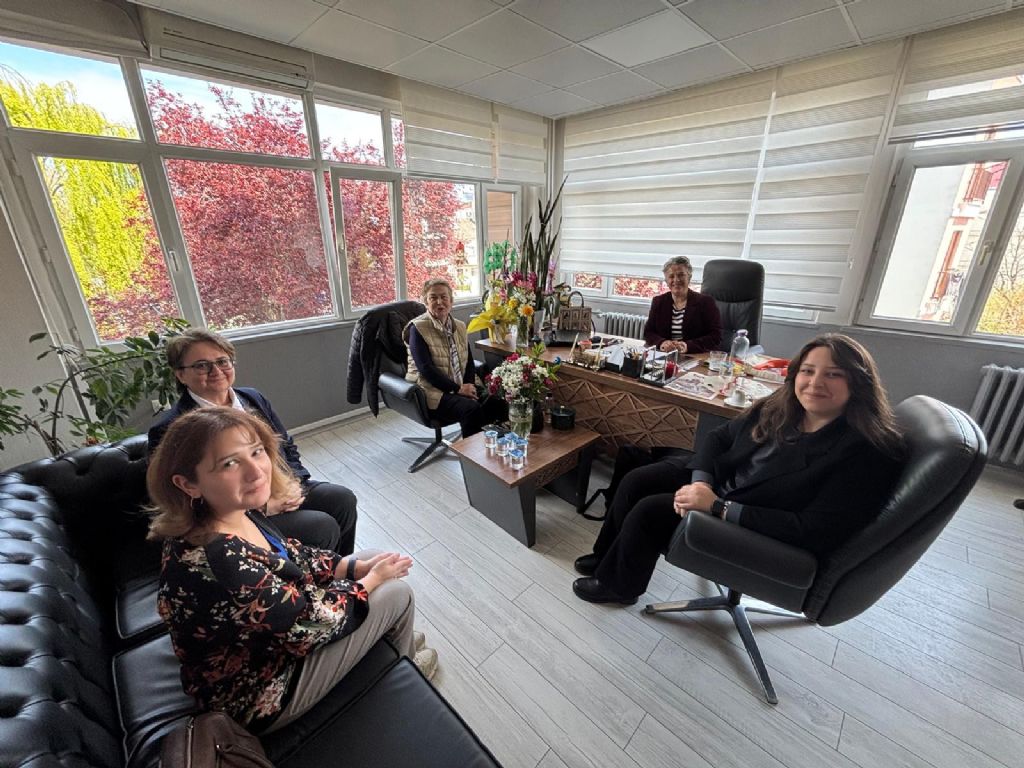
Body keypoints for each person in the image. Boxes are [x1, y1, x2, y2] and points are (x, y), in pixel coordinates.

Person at [147, 407, 436, 732]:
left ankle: (392, 642)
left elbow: (291, 556)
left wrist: (350, 566)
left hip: (274, 644)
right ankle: (403, 667)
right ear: (188, 484)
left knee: (371, 558)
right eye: (229, 463)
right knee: (395, 593)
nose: (256, 471)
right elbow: (311, 624)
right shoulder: (218, 562)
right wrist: (372, 580)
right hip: (256, 692)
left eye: (256, 451)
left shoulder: (230, 511)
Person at [573, 333, 905, 604]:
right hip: (721, 485)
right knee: (637, 479)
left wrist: (719, 507)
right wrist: (702, 483)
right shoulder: (783, 405)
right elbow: (719, 438)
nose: (815, 382)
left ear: (858, 383)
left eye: (833, 374)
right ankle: (605, 558)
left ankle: (619, 586)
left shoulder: (865, 453)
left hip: (755, 518)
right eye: (808, 371)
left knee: (649, 511)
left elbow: (813, 530)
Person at [148, 328, 357, 556]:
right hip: (234, 512)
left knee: (342, 499)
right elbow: (181, 500)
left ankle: (341, 568)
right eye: (201, 365)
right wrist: (263, 507)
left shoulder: (252, 398)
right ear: (180, 375)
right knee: (322, 526)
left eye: (222, 361)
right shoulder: (171, 429)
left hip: (277, 486)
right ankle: (309, 575)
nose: (216, 371)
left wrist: (295, 483)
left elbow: (286, 445)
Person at [404, 277, 506, 438]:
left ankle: (495, 443)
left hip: (460, 385)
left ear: (451, 301)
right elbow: (426, 369)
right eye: (433, 297)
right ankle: (473, 452)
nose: (439, 302)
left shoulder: (459, 326)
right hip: (433, 390)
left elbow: (468, 360)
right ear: (425, 302)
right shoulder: (417, 328)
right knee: (470, 409)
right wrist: (458, 389)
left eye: (444, 297)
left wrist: (469, 386)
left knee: (497, 400)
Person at [643, 256, 722, 354]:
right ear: (666, 281)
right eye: (671, 276)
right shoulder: (658, 301)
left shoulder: (706, 302)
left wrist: (687, 346)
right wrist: (662, 343)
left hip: (694, 355)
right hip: (665, 355)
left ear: (689, 277)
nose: (676, 280)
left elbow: (716, 336)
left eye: (681, 275)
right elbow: (648, 332)